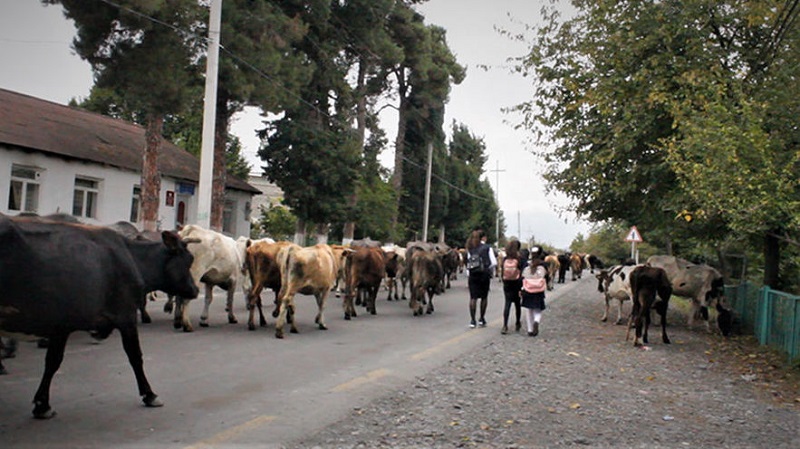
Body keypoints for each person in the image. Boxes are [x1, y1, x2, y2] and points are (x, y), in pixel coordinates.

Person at [465, 229, 496, 328]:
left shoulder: (470, 248)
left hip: (473, 275)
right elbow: (494, 262)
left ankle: (472, 320)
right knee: (484, 297)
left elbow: (468, 263)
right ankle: (482, 318)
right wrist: (488, 268)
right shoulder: (487, 248)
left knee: (473, 298)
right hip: (484, 275)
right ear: (483, 238)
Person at [500, 239, 526, 334]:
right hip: (517, 283)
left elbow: (502, 271)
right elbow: (524, 271)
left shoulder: (505, 259)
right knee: (517, 304)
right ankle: (517, 323)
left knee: (507, 303)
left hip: (507, 283)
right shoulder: (520, 259)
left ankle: (505, 325)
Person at [520, 258, 549, 336]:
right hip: (539, 291)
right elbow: (547, 277)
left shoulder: (526, 267)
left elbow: (522, 278)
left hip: (528, 290)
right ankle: (536, 321)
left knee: (529, 310)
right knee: (538, 310)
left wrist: (521, 289)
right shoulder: (542, 267)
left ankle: (530, 330)